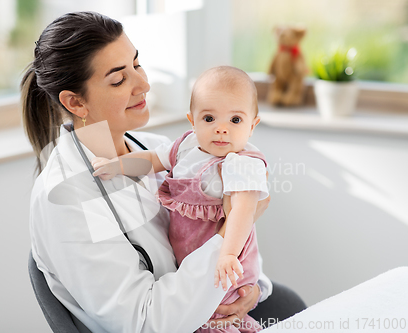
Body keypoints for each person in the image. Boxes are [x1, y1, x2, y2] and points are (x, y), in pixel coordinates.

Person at [21, 11, 305, 333]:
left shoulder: (158, 149)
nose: (144, 84)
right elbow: (145, 322)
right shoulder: (63, 199)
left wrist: (251, 290)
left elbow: (204, 229)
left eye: (137, 65)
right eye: (119, 79)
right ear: (76, 102)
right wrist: (232, 232)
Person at [91, 66, 267, 332]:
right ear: (192, 121)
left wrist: (228, 253)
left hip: (226, 264)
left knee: (218, 317)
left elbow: (242, 211)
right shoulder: (185, 146)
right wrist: (116, 165)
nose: (221, 129)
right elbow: (151, 160)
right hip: (188, 258)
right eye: (209, 119)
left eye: (235, 120)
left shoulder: (240, 163)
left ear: (252, 125)